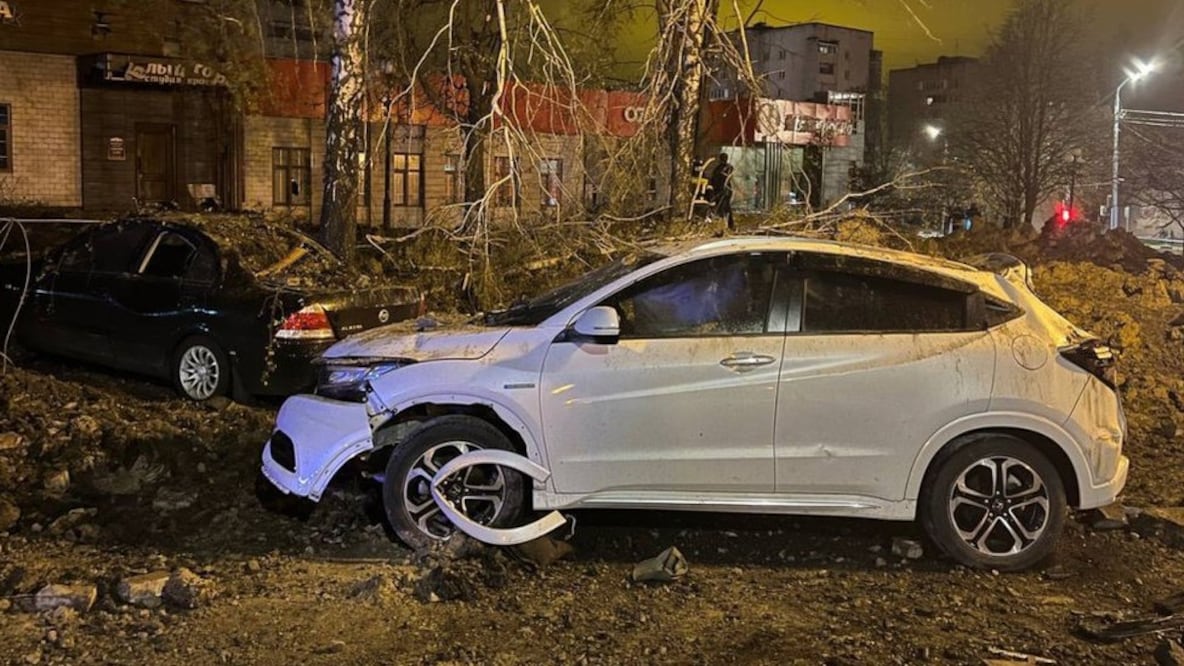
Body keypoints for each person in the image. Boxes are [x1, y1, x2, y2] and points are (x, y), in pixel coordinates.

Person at [708, 152, 735, 230]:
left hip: (722, 190)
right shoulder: (725, 168)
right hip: (723, 190)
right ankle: (727, 225)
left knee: (723, 207)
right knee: (724, 208)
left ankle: (726, 225)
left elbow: (714, 180)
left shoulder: (722, 168)